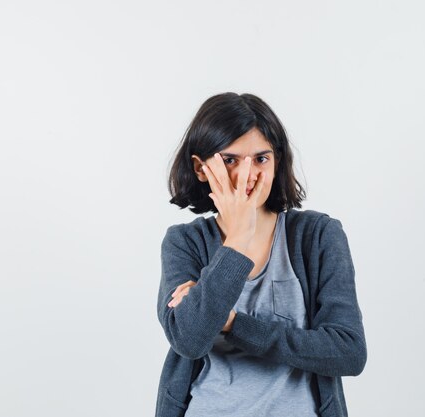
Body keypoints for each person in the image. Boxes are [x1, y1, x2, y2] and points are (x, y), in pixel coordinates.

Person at [155, 92, 367, 417]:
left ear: (276, 161)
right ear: (200, 168)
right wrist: (239, 237)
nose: (249, 174)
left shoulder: (318, 236)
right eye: (230, 160)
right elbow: (189, 339)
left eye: (261, 158)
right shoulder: (185, 242)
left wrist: (235, 325)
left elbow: (348, 351)